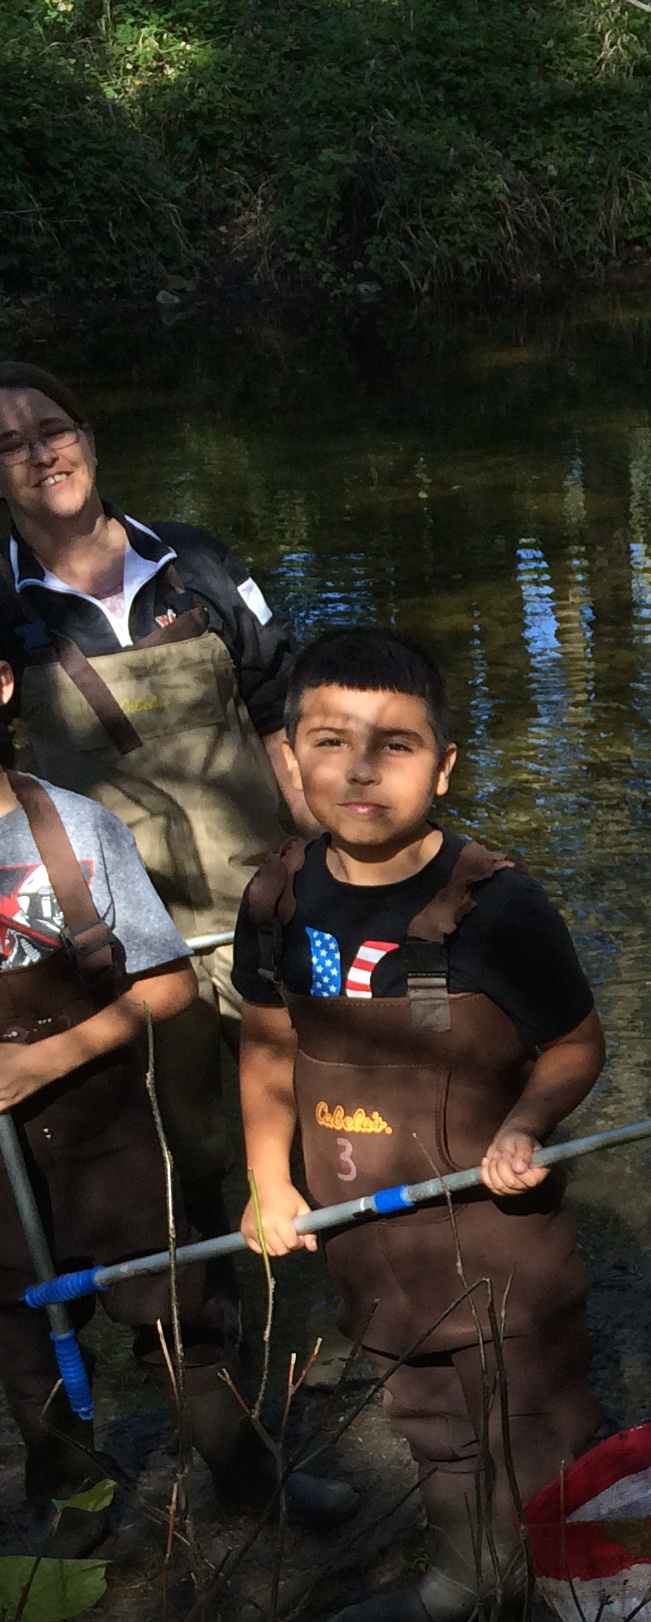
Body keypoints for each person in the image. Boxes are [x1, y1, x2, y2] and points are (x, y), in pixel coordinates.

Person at [237, 629, 605, 1622]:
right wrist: (268, 1182)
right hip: (368, 1238)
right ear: (291, 757)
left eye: (394, 745)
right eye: (329, 741)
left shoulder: (500, 907)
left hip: (501, 1247)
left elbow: (577, 1044)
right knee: (429, 1419)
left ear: (442, 766)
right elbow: (267, 1041)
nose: (359, 769)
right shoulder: (276, 897)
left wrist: (530, 1121)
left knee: (535, 1432)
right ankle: (465, 1578)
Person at [0, 661, 351, 1555]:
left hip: (109, 1145)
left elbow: (165, 987)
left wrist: (47, 1057)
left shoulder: (77, 829)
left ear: (4, 684)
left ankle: (246, 1477)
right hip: (4, 1184)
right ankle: (69, 1505)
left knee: (183, 1314)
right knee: (28, 1342)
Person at [0, 362, 314, 1288]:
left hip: (262, 903)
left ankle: (353, 1301)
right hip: (130, 949)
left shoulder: (200, 564)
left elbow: (277, 720)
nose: (40, 454)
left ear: (88, 433)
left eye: (52, 428)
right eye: (9, 445)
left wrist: (325, 868)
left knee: (319, 1106)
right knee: (184, 1155)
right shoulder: (1, 609)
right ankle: (215, 1336)